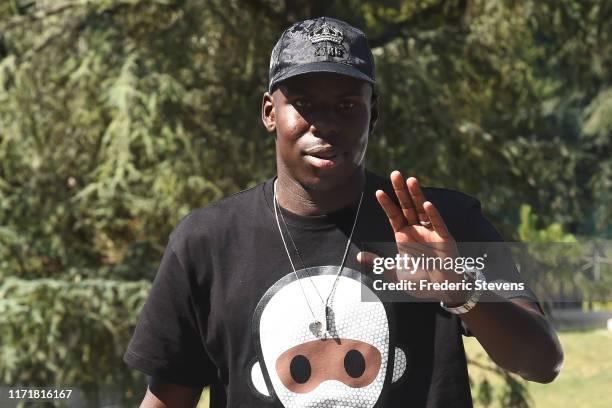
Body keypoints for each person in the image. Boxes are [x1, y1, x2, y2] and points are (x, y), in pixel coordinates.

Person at [124, 16, 563, 408]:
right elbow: (169, 397)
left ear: (372, 115)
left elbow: (542, 362)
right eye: (304, 103)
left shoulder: (440, 222)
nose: (326, 122)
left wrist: (460, 291)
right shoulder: (208, 242)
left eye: (347, 105)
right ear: (269, 113)